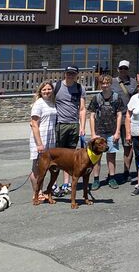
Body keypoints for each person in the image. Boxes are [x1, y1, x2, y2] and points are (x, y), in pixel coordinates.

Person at [53, 66, 86, 196]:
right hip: (60, 125)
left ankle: (66, 184)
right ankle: (54, 184)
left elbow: (82, 109)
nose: (70, 76)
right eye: (68, 73)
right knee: (57, 156)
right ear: (65, 74)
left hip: (74, 125)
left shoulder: (80, 88)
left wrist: (82, 127)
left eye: (73, 74)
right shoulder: (56, 86)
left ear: (76, 75)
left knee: (70, 156)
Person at [88, 74, 125, 190]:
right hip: (99, 132)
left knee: (111, 155)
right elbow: (92, 116)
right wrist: (93, 133)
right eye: (102, 83)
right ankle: (96, 179)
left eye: (107, 83)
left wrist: (117, 132)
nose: (105, 85)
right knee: (96, 157)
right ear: (100, 84)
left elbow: (119, 115)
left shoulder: (116, 97)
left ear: (110, 84)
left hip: (112, 132)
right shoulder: (96, 98)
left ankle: (112, 178)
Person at [28, 81, 57, 200]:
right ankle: (37, 193)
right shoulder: (38, 103)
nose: (47, 91)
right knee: (36, 168)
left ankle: (41, 190)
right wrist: (39, 144)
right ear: (40, 91)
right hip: (39, 139)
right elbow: (34, 124)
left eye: (49, 89)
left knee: (44, 167)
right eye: (44, 89)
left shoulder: (52, 103)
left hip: (50, 138)